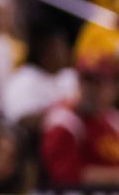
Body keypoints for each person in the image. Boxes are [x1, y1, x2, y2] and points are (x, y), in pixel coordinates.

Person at [41, 55, 119, 186]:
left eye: (104, 82)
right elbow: (66, 176)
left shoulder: (113, 119)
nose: (95, 90)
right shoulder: (64, 121)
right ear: (79, 81)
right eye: (89, 81)